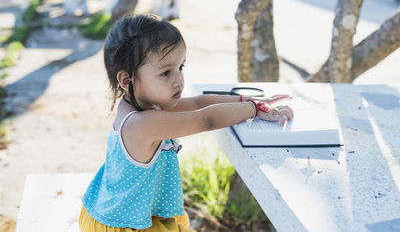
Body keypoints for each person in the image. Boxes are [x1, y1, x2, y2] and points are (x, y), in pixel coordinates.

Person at [78, 14, 294, 232]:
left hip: (129, 214)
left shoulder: (146, 104)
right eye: (165, 72)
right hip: (122, 226)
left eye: (181, 67)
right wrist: (254, 110)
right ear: (127, 80)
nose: (178, 80)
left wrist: (248, 101)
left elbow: (199, 102)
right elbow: (205, 119)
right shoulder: (141, 124)